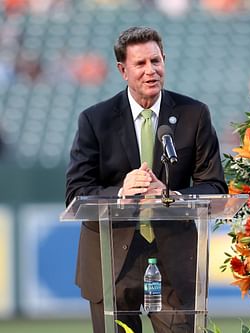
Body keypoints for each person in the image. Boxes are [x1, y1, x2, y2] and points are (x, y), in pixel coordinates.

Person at [65, 26, 228, 333]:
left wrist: (172, 197)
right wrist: (121, 193)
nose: (150, 70)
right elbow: (76, 193)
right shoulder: (95, 120)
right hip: (111, 260)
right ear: (122, 70)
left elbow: (215, 186)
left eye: (156, 61)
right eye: (140, 64)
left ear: (164, 60)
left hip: (174, 259)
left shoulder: (194, 114)